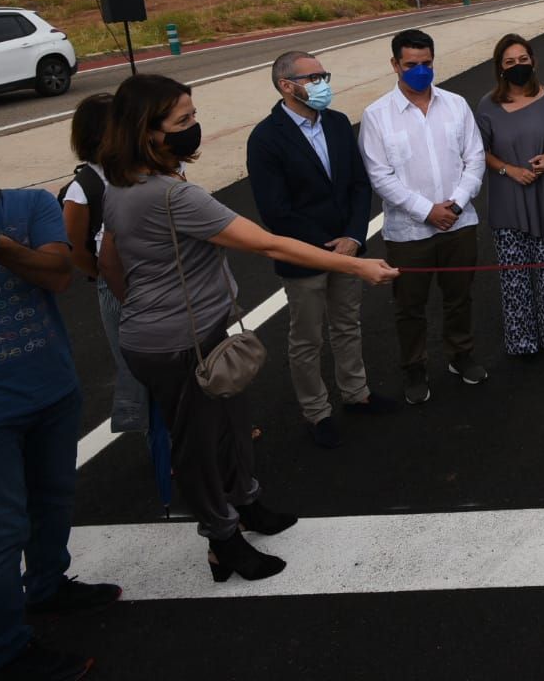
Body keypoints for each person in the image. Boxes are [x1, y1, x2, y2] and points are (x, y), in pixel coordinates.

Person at [98, 74, 397, 583]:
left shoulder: (127, 186)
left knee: (232, 427)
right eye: (183, 121)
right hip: (176, 344)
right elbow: (266, 244)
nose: (196, 128)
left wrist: (145, 307)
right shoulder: (171, 197)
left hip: (195, 334)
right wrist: (358, 266)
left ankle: (247, 503)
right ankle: (223, 538)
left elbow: (111, 262)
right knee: (198, 445)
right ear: (148, 133)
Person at [0, 111, 120, 681]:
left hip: (49, 389)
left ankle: (45, 586)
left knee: (53, 501)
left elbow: (59, 274)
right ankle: (5, 650)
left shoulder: (29, 205)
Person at [246, 51, 395, 452]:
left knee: (347, 325)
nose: (322, 83)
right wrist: (326, 247)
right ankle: (317, 411)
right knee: (306, 338)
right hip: (303, 255)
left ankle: (356, 392)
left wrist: (353, 237)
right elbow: (275, 210)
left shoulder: (337, 123)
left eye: (323, 75)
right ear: (286, 85)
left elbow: (359, 186)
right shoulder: (265, 138)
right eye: (312, 78)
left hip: (347, 249)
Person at [359, 29, 487, 405]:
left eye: (426, 64)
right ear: (395, 65)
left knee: (459, 298)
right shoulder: (377, 115)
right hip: (408, 232)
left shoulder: (456, 105)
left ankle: (460, 355)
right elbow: (379, 176)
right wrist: (426, 211)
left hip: (460, 225)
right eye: (411, 65)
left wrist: (457, 204)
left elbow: (475, 158)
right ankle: (414, 368)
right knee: (409, 308)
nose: (420, 71)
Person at [475, 34, 544, 355]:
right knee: (514, 280)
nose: (518, 66)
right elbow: (479, 152)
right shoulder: (488, 105)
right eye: (510, 62)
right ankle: (522, 343)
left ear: (533, 61)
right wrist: (508, 170)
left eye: (523, 60)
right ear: (500, 68)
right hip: (508, 202)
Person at [61, 92, 148, 435]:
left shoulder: (140, 170)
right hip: (117, 285)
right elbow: (75, 248)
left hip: (156, 274)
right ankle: (158, 438)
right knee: (136, 363)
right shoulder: (83, 188)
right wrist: (103, 274)